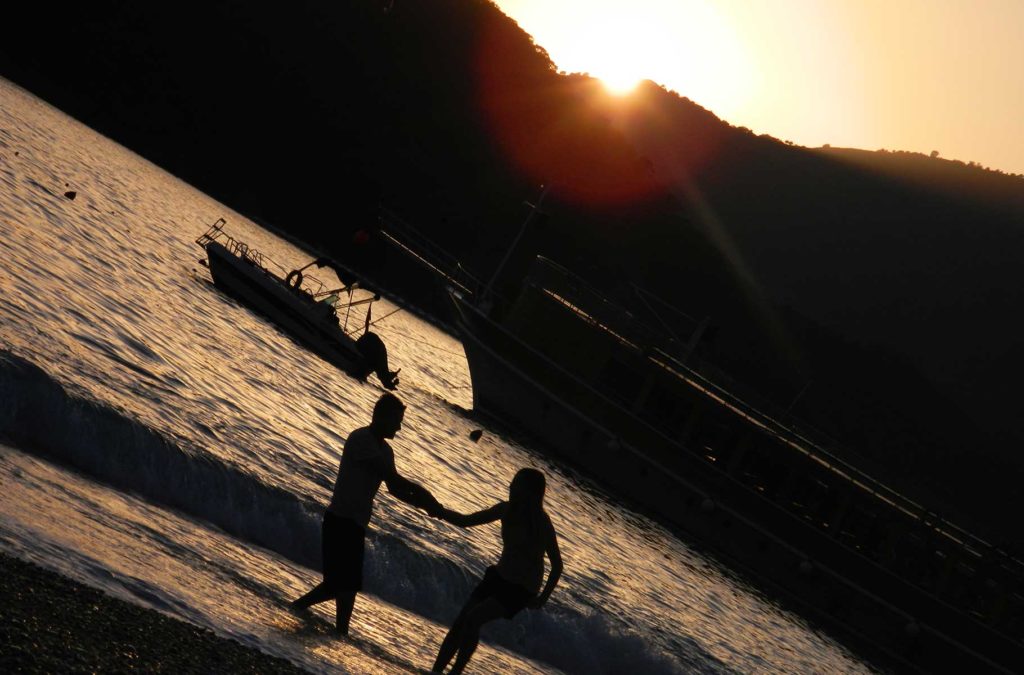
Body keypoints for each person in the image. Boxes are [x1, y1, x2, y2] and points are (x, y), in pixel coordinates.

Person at [290, 393, 442, 635]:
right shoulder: (361, 440)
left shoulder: (386, 451)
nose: (399, 427)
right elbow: (394, 479)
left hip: (356, 524)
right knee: (343, 586)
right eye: (397, 421)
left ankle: (309, 615)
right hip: (340, 520)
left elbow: (394, 489)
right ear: (381, 417)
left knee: (339, 585)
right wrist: (431, 501)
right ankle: (335, 630)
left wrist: (425, 507)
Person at [429, 468, 563, 674]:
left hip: (521, 588)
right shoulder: (505, 509)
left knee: (473, 619)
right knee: (461, 623)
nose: (510, 486)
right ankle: (436, 671)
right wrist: (439, 510)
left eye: (516, 483)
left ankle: (456, 672)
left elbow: (557, 565)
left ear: (530, 492)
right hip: (499, 576)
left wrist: (542, 599)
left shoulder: (542, 523)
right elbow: (466, 521)